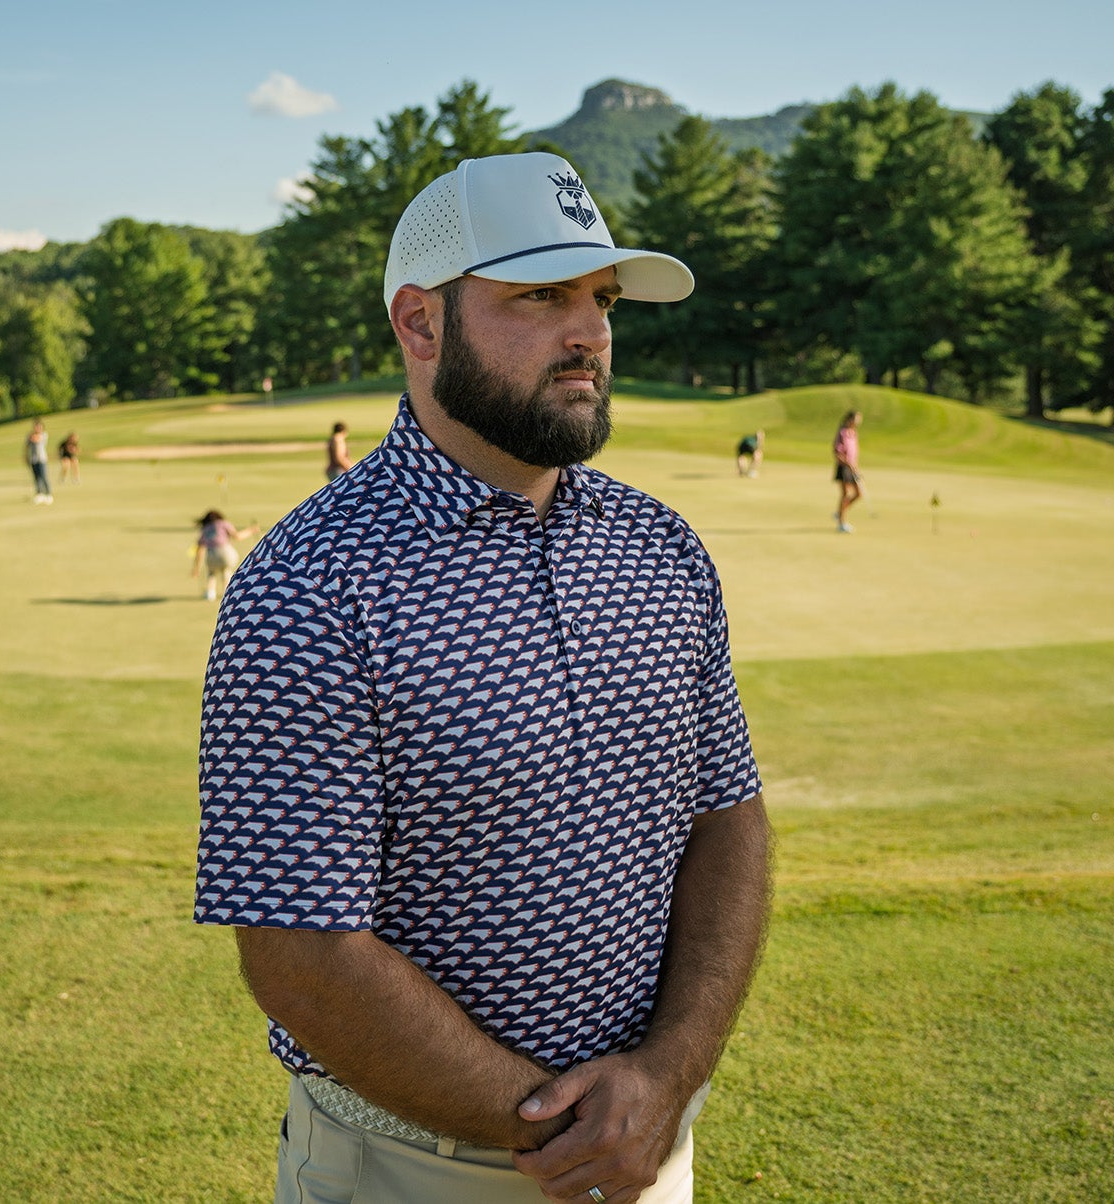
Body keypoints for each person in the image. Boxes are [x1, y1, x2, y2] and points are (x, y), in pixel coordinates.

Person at [195, 151, 771, 1204]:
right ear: (421, 324)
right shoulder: (308, 586)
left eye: (601, 298)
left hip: (649, 1148)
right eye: (541, 295)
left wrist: (666, 1077)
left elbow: (727, 817)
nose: (590, 331)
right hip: (412, 1172)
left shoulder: (662, 549)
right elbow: (300, 955)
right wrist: (577, 1132)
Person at [190, 509, 256, 601]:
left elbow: (200, 549)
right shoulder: (224, 523)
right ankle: (227, 592)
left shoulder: (206, 529)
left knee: (211, 573)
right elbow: (237, 536)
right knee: (226, 570)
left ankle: (210, 593)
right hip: (226, 552)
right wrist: (251, 530)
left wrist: (196, 568)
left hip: (211, 554)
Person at [832, 410, 863, 533]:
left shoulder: (853, 433)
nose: (858, 422)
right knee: (845, 494)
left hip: (853, 468)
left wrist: (856, 467)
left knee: (858, 493)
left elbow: (854, 454)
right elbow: (837, 452)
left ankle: (839, 512)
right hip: (844, 467)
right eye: (856, 419)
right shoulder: (842, 432)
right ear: (850, 419)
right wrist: (847, 463)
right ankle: (842, 523)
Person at [25, 419, 53, 505]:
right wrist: (26, 456)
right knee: (36, 478)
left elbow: (36, 439)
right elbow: (26, 446)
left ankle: (48, 494)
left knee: (44, 477)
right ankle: (39, 494)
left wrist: (31, 436)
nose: (37, 428)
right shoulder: (30, 436)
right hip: (33, 459)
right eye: (36, 427)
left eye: (39, 427)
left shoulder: (44, 434)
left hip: (42, 459)